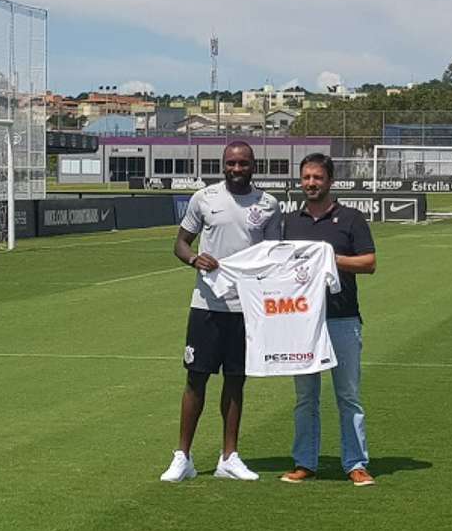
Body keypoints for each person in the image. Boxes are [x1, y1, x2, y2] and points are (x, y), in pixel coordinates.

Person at [160, 141, 282, 482]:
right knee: (196, 378)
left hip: (247, 309)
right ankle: (182, 457)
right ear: (223, 165)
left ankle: (229, 457)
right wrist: (193, 258)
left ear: (253, 166)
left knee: (236, 381)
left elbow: (273, 256)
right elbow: (180, 243)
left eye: (243, 163)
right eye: (231, 163)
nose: (237, 169)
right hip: (207, 305)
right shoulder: (204, 199)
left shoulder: (269, 204)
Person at [280, 152, 377, 487]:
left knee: (347, 395)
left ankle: (356, 463)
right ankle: (305, 462)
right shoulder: (290, 222)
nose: (311, 183)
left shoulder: (351, 219)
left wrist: (330, 259)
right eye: (306, 177)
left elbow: (369, 263)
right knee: (305, 397)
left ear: (330, 181)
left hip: (342, 319)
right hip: (301, 323)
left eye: (317, 178)